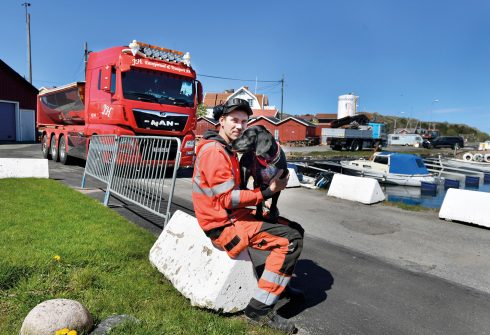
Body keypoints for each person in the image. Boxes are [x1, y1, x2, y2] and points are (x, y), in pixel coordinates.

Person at [192, 98, 304, 333]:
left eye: (244, 121)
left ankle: (280, 285)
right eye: (234, 120)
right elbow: (226, 198)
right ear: (221, 121)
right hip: (223, 225)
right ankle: (259, 310)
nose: (239, 126)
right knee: (290, 240)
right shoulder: (215, 151)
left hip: (233, 215)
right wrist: (267, 192)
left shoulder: (227, 147)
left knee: (295, 228)